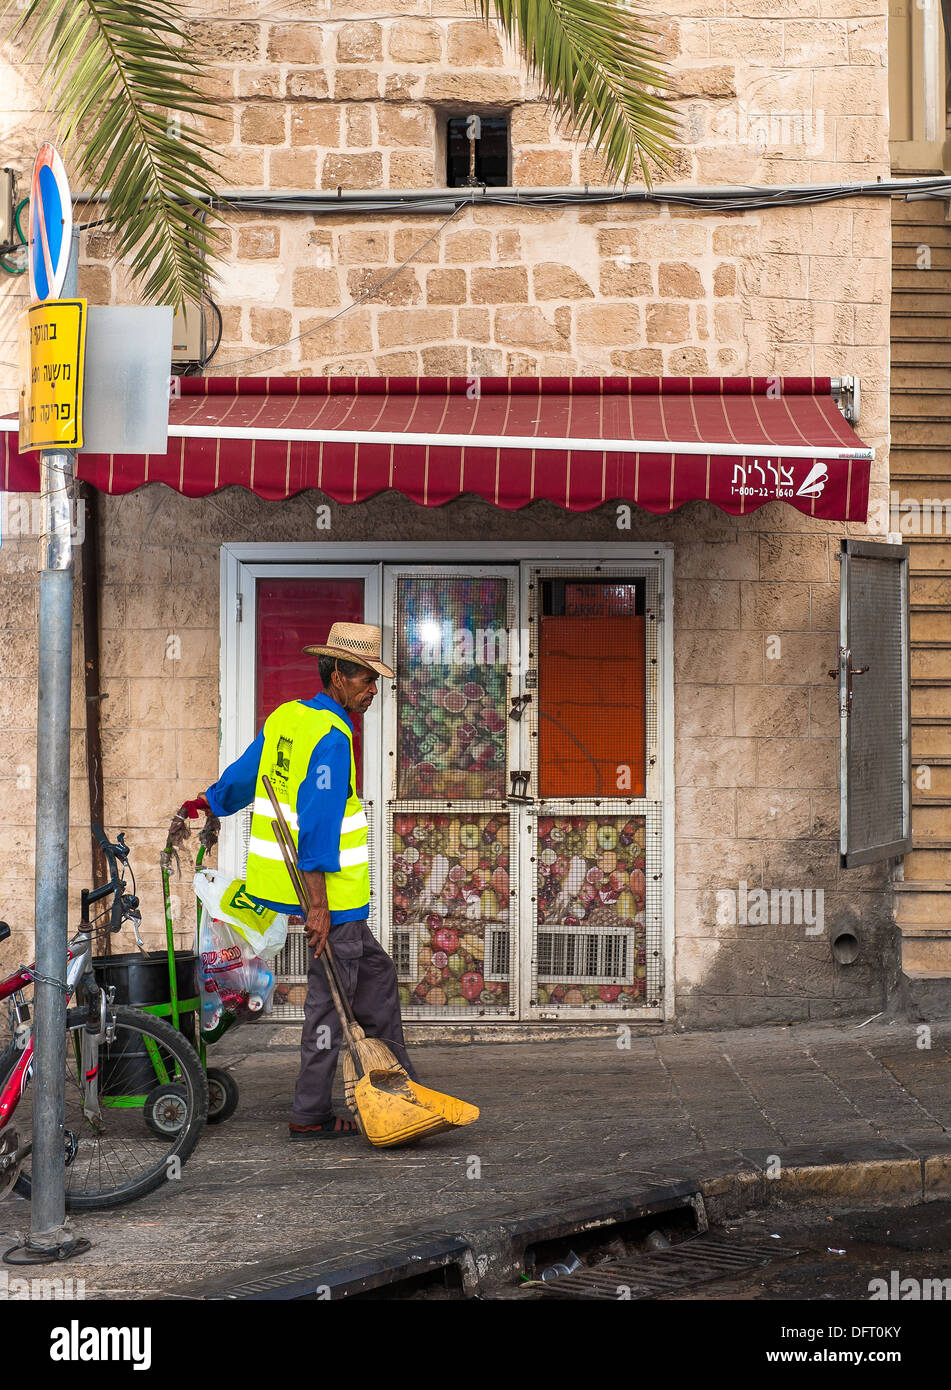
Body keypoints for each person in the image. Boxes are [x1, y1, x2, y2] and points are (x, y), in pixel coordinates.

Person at [194, 622, 419, 1139]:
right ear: (337, 674)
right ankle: (311, 1111)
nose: (372, 689)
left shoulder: (287, 719)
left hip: (329, 900)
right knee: (327, 1006)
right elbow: (318, 828)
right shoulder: (332, 738)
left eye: (375, 679)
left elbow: (248, 775)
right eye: (365, 678)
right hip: (331, 901)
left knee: (378, 979)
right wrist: (317, 907)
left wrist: (210, 801)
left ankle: (399, 1083)